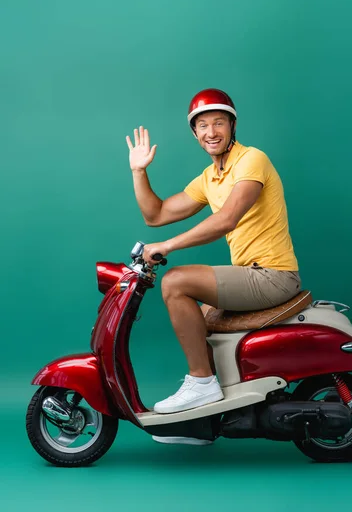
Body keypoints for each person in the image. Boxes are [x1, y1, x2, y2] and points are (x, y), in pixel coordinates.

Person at [126, 88, 301, 417]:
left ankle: (202, 383)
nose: (211, 132)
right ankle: (206, 420)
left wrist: (167, 246)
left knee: (175, 282)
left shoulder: (252, 160)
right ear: (195, 133)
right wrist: (139, 171)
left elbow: (227, 218)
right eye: (202, 126)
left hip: (273, 275)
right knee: (200, 317)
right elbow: (156, 215)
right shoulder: (210, 178)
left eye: (218, 123)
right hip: (252, 274)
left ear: (232, 126)